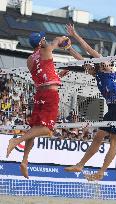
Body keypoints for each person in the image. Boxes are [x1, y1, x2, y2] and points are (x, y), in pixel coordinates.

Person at [64, 24, 116, 180]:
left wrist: (75, 35)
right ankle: (80, 164)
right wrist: (68, 48)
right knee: (98, 137)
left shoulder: (107, 67)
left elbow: (88, 49)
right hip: (112, 109)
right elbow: (81, 60)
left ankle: (101, 171)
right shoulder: (97, 74)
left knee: (114, 140)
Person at [6, 31, 70, 178]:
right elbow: (58, 40)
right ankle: (16, 140)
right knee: (47, 129)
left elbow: (42, 76)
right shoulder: (46, 50)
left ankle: (24, 160)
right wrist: (66, 39)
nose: (46, 41)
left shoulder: (29, 59)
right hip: (49, 95)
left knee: (34, 130)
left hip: (40, 94)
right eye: (44, 39)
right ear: (41, 42)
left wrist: (57, 76)